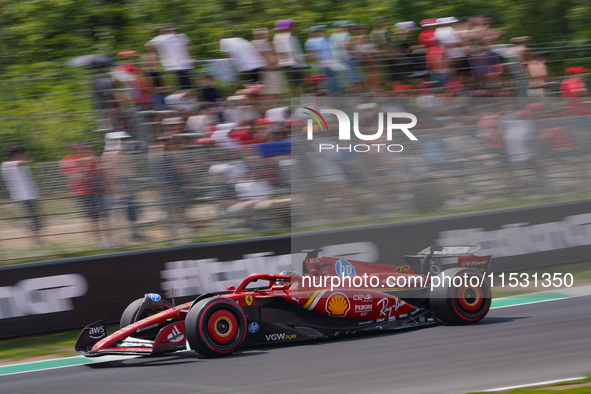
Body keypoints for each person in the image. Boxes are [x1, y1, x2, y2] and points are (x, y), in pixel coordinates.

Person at [59, 143, 112, 247]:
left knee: (105, 216)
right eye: (81, 149)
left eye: (86, 148)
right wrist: (85, 169)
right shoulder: (68, 161)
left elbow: (102, 173)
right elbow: (72, 177)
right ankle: (99, 240)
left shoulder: (94, 159)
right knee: (93, 218)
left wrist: (106, 186)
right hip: (84, 192)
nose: (84, 151)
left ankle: (109, 240)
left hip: (99, 190)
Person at [102, 131, 145, 241]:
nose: (124, 142)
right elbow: (108, 171)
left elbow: (131, 168)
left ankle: (133, 232)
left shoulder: (125, 153)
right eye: (121, 140)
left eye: (124, 140)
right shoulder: (108, 155)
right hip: (119, 182)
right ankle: (124, 234)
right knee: (121, 209)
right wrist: (114, 185)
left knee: (131, 208)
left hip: (127, 182)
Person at [1, 145, 45, 253]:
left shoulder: (21, 166)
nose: (26, 155)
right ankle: (35, 249)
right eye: (23, 153)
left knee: (37, 223)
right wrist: (32, 161)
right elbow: (19, 162)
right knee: (35, 224)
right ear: (17, 154)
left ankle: (38, 246)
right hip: (25, 198)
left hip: (30, 197)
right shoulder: (7, 164)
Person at [146, 24, 195, 90]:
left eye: (172, 30)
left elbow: (190, 46)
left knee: (186, 82)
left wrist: (192, 57)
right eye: (167, 30)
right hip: (171, 64)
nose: (170, 32)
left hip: (183, 64)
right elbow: (149, 45)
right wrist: (154, 58)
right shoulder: (161, 38)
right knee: (178, 82)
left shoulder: (182, 36)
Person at [273, 19, 308, 94]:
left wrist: (302, 64)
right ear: (287, 28)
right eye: (293, 26)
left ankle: (298, 99)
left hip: (296, 65)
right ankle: (296, 101)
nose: (295, 28)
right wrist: (296, 65)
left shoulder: (292, 37)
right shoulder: (281, 37)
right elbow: (283, 53)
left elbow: (297, 51)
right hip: (290, 65)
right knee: (295, 85)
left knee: (299, 84)